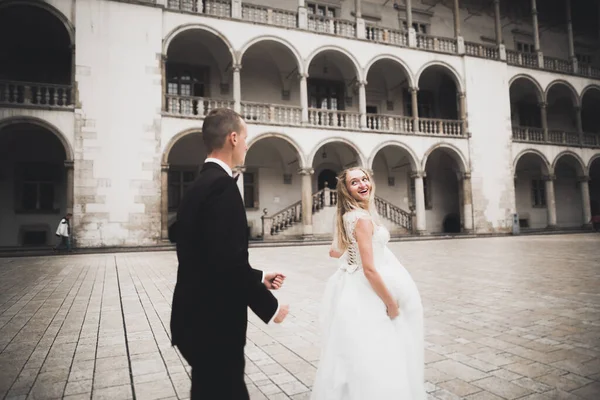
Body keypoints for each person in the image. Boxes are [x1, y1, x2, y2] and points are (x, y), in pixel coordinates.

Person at [169, 108, 290, 400]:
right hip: (215, 323)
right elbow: (227, 262)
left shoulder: (199, 185)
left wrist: (259, 276)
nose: (248, 144)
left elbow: (207, 254)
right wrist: (270, 307)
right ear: (233, 138)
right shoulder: (222, 187)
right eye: (246, 137)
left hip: (193, 316)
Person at [311, 167, 425, 400]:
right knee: (380, 353)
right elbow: (370, 270)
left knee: (356, 355)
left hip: (351, 288)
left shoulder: (348, 216)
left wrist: (346, 252)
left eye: (365, 179)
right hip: (367, 293)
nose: (363, 184)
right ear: (346, 189)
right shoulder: (362, 219)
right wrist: (390, 303)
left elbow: (337, 250)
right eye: (355, 182)